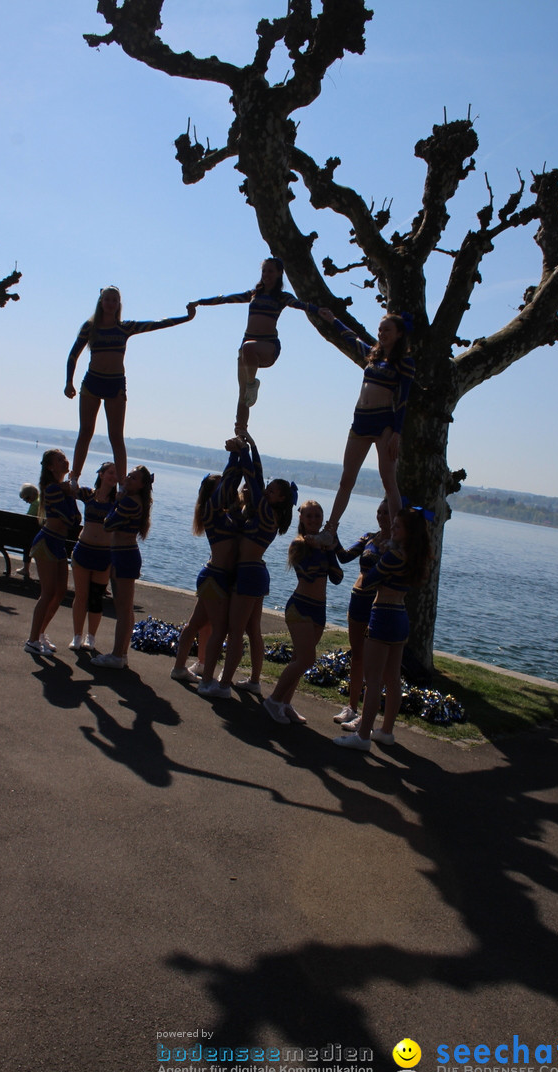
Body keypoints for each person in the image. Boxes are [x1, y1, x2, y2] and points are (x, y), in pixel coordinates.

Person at [64, 287, 196, 484]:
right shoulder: (89, 327)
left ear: (119, 305)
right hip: (92, 382)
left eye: (114, 300)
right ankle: (74, 478)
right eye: (107, 299)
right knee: (85, 432)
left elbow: (156, 324)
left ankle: (121, 485)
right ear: (101, 302)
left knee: (116, 436)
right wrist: (69, 382)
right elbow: (73, 355)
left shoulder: (125, 327)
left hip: (115, 384)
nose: (110, 303)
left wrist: (186, 318)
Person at [198, 433, 294, 698]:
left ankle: (224, 684)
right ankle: (248, 680)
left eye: (272, 491)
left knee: (236, 631)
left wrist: (242, 453)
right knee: (249, 630)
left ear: (280, 500)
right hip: (248, 574)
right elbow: (258, 479)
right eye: (269, 488)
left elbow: (254, 478)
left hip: (250, 575)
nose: (266, 491)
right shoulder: (261, 510)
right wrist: (251, 444)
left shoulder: (267, 513)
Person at [334, 502, 432, 752]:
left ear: (408, 531)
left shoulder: (394, 555)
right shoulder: (413, 556)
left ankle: (363, 735)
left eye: (397, 526)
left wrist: (376, 558)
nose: (393, 528)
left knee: (374, 678)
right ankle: (386, 731)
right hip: (400, 615)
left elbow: (368, 581)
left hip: (383, 613)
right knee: (393, 678)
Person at [194, 257, 322, 433]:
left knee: (249, 348)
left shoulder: (282, 297)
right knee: (243, 394)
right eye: (264, 271)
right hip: (247, 347)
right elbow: (227, 299)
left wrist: (318, 310)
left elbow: (298, 304)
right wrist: (200, 302)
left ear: (279, 274)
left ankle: (253, 383)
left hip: (267, 346)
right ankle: (240, 430)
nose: (266, 274)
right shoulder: (254, 294)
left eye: (270, 271)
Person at [318, 309, 414, 541]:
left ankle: (395, 536)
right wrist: (333, 320)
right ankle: (330, 529)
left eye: (387, 330)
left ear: (399, 334)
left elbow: (403, 400)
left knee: (388, 481)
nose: (382, 333)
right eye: (380, 330)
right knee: (346, 479)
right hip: (360, 421)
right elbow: (351, 338)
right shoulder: (372, 354)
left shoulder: (404, 362)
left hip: (384, 424)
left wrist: (397, 434)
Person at [170, 440, 244, 683]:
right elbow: (231, 481)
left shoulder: (228, 512)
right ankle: (201, 673)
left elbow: (239, 486)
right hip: (214, 577)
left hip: (220, 577)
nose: (229, 491)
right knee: (217, 628)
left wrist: (243, 455)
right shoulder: (211, 511)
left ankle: (182, 667)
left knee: (196, 624)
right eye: (222, 488)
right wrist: (235, 456)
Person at [263, 501, 343, 725]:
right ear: (301, 519)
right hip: (300, 607)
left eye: (318, 516)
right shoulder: (298, 544)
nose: (314, 520)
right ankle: (274, 700)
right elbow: (308, 575)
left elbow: (337, 577)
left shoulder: (325, 545)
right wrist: (318, 551)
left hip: (319, 610)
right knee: (307, 659)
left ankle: (286, 704)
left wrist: (330, 550)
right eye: (309, 516)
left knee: (299, 659)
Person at [331, 499, 391, 724]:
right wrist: (332, 533)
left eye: (387, 512)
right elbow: (344, 556)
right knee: (357, 656)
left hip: (376, 604)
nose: (382, 516)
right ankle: (351, 707)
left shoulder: (396, 545)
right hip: (356, 600)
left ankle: (367, 716)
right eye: (379, 512)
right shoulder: (369, 537)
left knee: (374, 663)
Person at [91, 465, 154, 669]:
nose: (128, 478)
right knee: (125, 608)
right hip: (122, 554)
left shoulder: (128, 502)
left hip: (125, 555)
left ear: (142, 485)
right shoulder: (134, 501)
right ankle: (122, 652)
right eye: (129, 475)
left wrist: (115, 504)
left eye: (134, 478)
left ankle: (118, 654)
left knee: (123, 610)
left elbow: (108, 524)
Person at [24, 449, 81, 656]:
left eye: (65, 458)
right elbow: (68, 518)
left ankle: (40, 633)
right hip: (47, 542)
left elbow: (76, 519)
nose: (65, 462)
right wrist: (69, 493)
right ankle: (31, 640)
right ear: (50, 467)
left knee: (59, 593)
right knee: (47, 593)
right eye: (60, 460)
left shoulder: (65, 489)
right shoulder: (52, 489)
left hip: (58, 544)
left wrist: (71, 493)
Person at [69, 461, 118, 652]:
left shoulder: (118, 501)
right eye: (110, 472)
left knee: (96, 598)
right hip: (83, 551)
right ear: (101, 474)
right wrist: (73, 478)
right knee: (80, 596)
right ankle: (77, 636)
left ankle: (91, 637)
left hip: (103, 555)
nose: (113, 476)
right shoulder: (88, 494)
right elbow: (72, 490)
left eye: (116, 473)